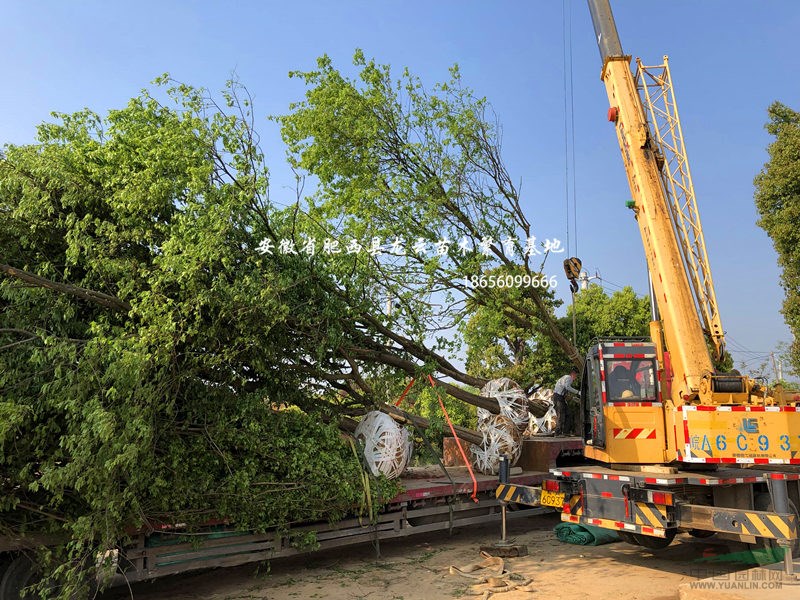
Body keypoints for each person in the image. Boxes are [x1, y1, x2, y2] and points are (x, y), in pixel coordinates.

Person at [553, 366, 579, 436]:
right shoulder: (569, 378)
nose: (575, 378)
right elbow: (567, 387)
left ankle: (565, 432)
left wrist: (573, 398)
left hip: (559, 397)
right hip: (558, 398)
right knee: (561, 415)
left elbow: (565, 392)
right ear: (573, 374)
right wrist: (578, 392)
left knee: (568, 414)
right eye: (576, 375)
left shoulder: (564, 378)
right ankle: (558, 433)